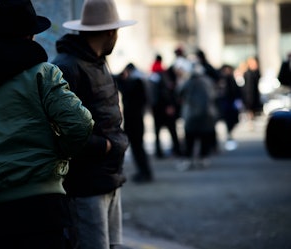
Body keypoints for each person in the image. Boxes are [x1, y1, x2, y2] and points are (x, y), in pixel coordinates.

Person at [0, 0, 94, 248]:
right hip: (45, 209)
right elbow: (79, 123)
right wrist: (60, 154)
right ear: (31, 35)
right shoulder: (43, 74)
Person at [52, 0, 135, 248]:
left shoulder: (97, 62)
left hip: (109, 178)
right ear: (111, 32)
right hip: (86, 184)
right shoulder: (68, 66)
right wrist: (105, 147)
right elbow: (59, 129)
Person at [115, 63, 153, 183]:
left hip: (135, 122)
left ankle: (145, 173)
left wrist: (120, 78)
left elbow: (124, 88)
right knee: (138, 149)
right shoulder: (138, 81)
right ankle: (144, 172)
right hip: (135, 121)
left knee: (138, 149)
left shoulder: (136, 83)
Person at [177, 61, 218, 171]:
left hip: (191, 114)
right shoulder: (208, 81)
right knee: (203, 136)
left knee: (190, 138)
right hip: (206, 114)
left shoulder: (188, 82)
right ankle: (203, 158)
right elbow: (214, 95)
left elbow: (179, 92)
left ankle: (188, 159)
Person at [149, 54, 182, 158]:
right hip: (164, 107)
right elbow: (165, 92)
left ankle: (159, 151)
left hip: (155, 107)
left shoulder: (152, 75)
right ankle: (177, 149)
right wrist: (170, 105)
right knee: (172, 129)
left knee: (157, 130)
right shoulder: (163, 74)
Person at [216, 64, 243, 151]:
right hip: (226, 103)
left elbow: (236, 90)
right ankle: (229, 132)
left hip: (231, 102)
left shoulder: (231, 79)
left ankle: (230, 131)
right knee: (228, 118)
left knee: (233, 118)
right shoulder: (222, 79)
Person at [242, 56, 262, 130]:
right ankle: (250, 124)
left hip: (254, 94)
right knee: (250, 110)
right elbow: (248, 87)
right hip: (249, 95)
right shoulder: (248, 73)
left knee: (253, 110)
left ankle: (251, 123)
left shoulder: (255, 72)